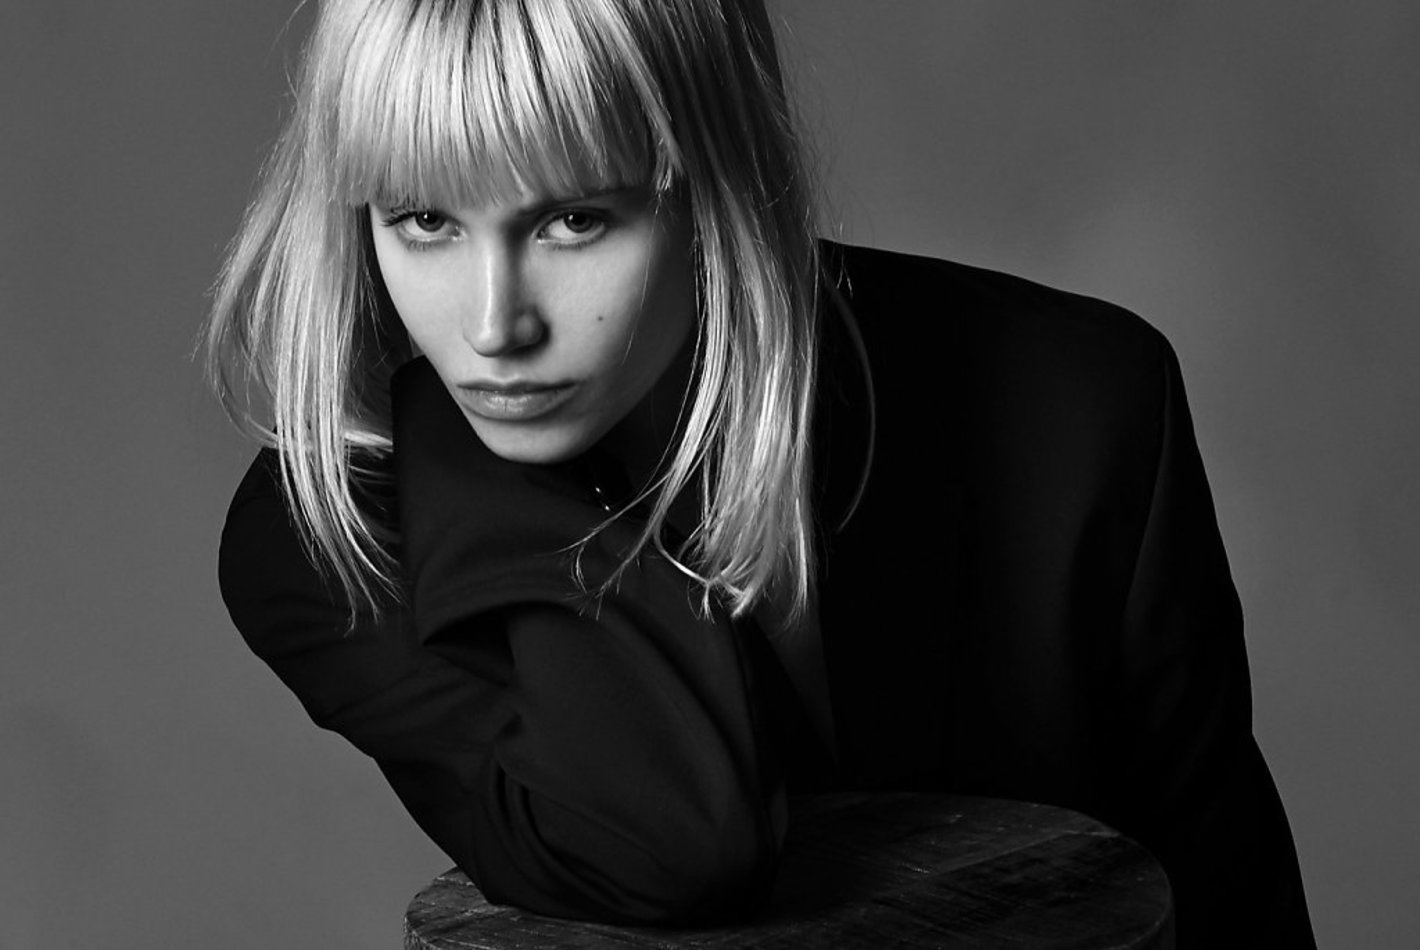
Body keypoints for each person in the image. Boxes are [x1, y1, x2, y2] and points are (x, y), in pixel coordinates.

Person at [206, 0, 1314, 943]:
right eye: (423, 220)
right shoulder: (330, 541)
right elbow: (660, 845)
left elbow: (1227, 903)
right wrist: (464, 448)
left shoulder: (1073, 404)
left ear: (716, 181)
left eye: (575, 219)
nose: (494, 327)